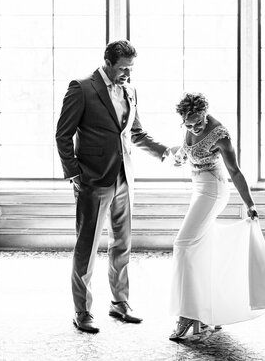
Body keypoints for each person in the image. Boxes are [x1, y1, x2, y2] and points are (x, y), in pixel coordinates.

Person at [56, 40, 176, 334]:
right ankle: (82, 310)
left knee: (122, 243)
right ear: (108, 62)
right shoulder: (82, 87)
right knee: (87, 246)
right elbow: (62, 135)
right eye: (123, 68)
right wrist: (75, 174)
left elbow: (135, 133)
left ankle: (120, 302)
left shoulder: (130, 90)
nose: (128, 73)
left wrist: (165, 152)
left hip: (125, 176)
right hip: (93, 179)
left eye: (131, 68)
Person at [168, 92, 265, 341]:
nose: (194, 127)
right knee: (201, 249)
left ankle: (187, 314)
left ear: (206, 112)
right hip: (198, 188)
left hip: (213, 190)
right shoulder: (189, 125)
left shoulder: (220, 134)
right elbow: (188, 149)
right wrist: (180, 157)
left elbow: (235, 171)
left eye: (198, 122)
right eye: (188, 124)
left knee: (183, 244)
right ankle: (207, 311)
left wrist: (250, 204)